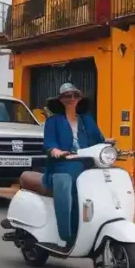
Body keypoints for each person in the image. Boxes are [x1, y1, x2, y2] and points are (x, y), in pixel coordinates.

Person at [41, 82, 105, 249]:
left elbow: (99, 140)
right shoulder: (53, 121)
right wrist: (56, 151)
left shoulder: (87, 120)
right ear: (60, 99)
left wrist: (109, 146)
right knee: (66, 191)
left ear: (79, 98)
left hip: (86, 164)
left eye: (75, 95)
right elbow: (49, 144)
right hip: (63, 165)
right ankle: (66, 235)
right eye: (67, 96)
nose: (72, 99)